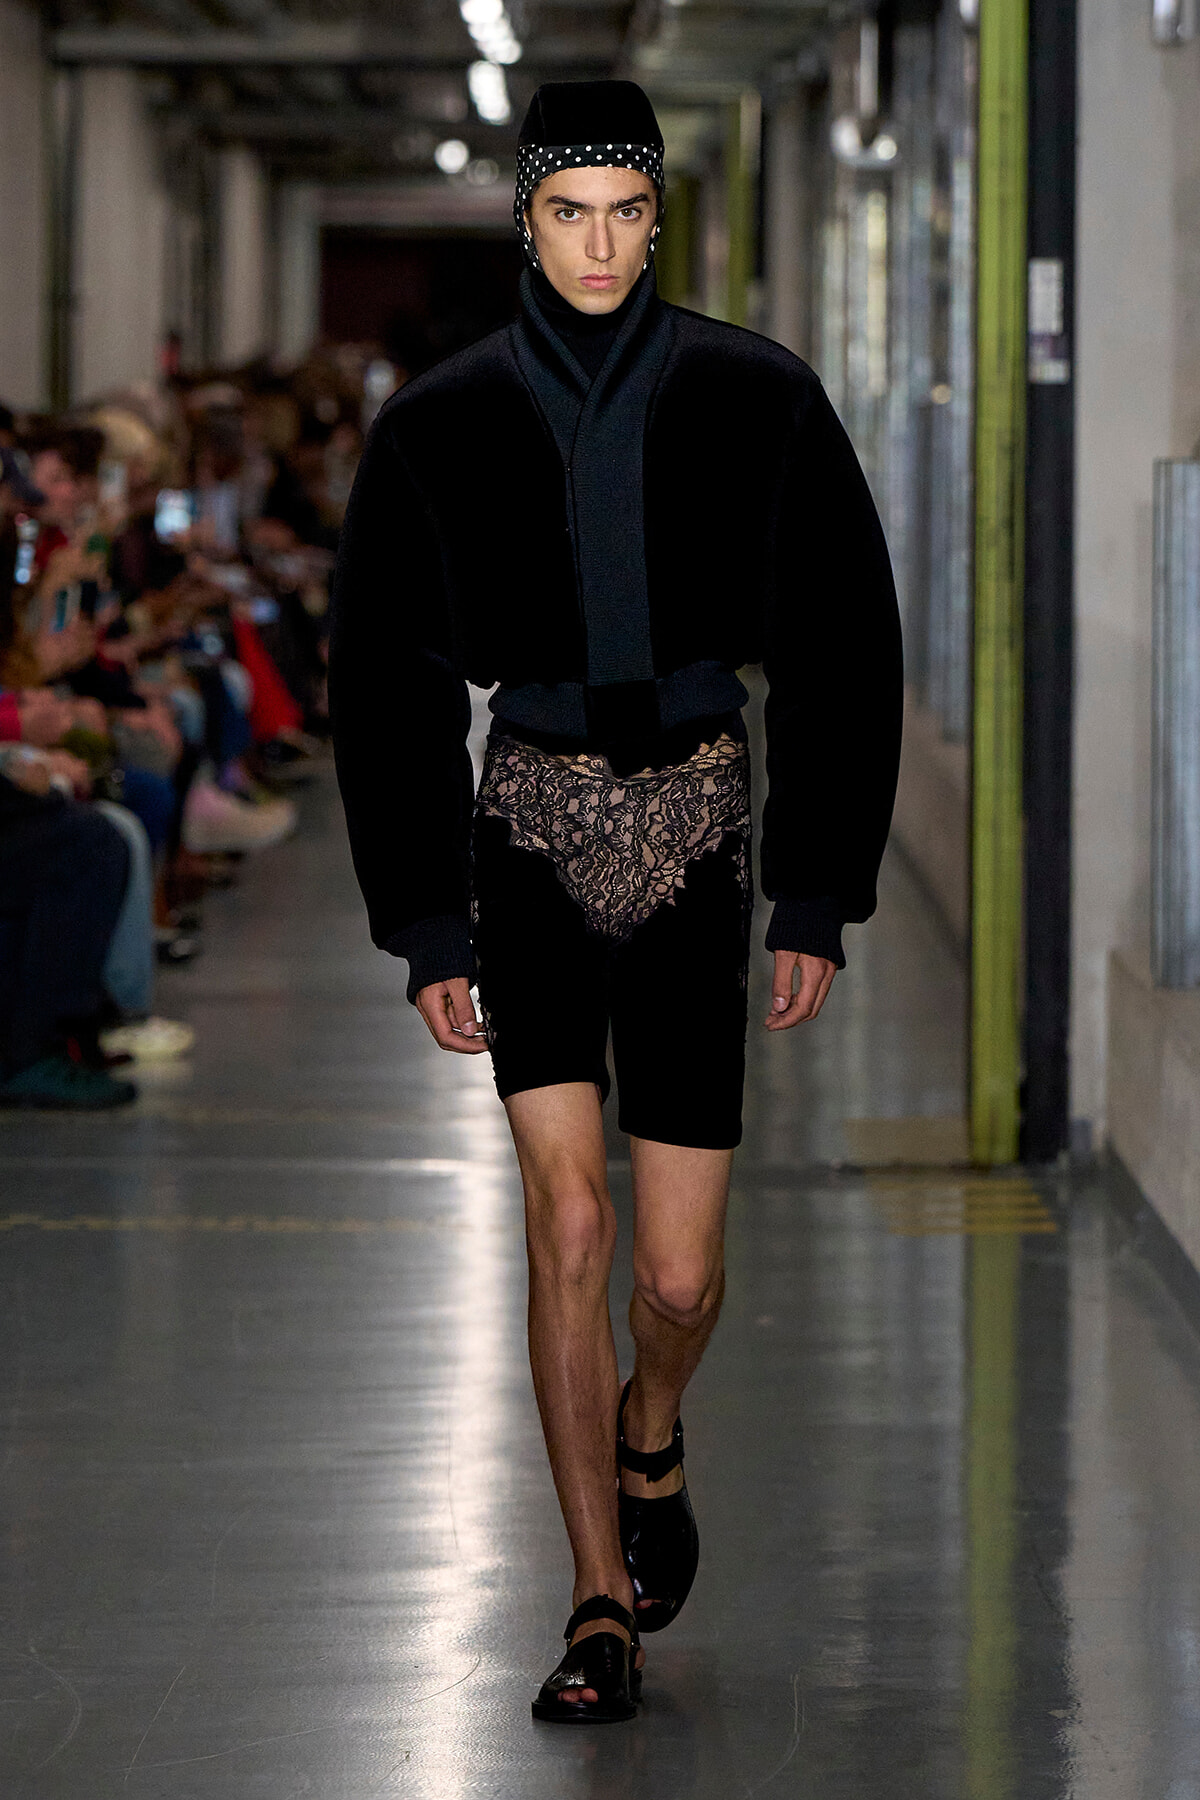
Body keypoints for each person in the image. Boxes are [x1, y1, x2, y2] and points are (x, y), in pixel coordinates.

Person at [330, 79, 903, 1723]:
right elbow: (384, 677)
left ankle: (654, 1426)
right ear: (528, 221)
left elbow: (843, 642)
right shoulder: (439, 422)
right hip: (526, 831)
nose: (598, 243)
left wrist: (815, 890)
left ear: (659, 220)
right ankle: (596, 1598)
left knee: (674, 1278)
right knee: (567, 1223)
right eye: (568, 212)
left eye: (625, 212)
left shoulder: (758, 395)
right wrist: (424, 920)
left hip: (701, 838)